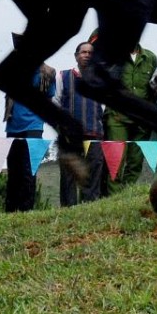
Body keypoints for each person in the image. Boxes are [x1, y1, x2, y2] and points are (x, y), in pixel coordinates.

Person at [100, 38, 157, 186]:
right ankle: (113, 200)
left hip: (142, 119)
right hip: (117, 117)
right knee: (115, 164)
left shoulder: (150, 58)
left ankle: (125, 196)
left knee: (135, 163)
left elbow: (154, 88)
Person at [56, 41, 106, 206]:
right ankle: (68, 210)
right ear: (76, 56)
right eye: (83, 52)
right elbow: (56, 102)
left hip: (94, 133)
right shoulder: (63, 76)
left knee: (93, 173)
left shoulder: (100, 80)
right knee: (69, 173)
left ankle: (90, 208)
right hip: (70, 135)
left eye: (90, 53)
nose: (87, 55)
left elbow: (104, 106)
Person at [3, 64, 55, 212]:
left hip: (34, 126)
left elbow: (49, 98)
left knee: (28, 171)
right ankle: (10, 211)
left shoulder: (48, 73)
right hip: (12, 125)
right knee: (13, 172)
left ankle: (26, 211)